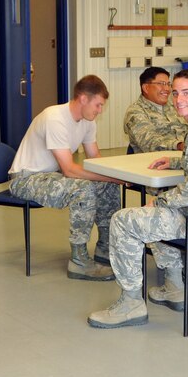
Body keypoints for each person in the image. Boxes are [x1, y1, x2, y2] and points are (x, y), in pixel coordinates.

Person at [87, 69, 188, 328]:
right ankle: (173, 287)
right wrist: (175, 160)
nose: (178, 99)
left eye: (186, 93)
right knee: (156, 213)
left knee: (124, 220)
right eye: (176, 93)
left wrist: (160, 202)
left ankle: (131, 304)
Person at [9, 75, 121, 281]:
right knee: (83, 189)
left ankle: (104, 248)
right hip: (26, 178)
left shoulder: (87, 121)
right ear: (83, 98)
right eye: (98, 105)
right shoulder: (55, 118)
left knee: (107, 185)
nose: (99, 111)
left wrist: (115, 176)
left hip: (51, 175)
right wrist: (112, 178)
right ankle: (78, 261)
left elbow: (95, 158)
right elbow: (69, 169)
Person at [123, 67, 186, 153]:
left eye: (168, 84)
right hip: (153, 162)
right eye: (162, 83)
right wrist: (178, 145)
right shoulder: (135, 112)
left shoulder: (175, 105)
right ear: (146, 88)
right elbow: (150, 143)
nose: (167, 89)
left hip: (182, 158)